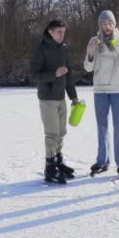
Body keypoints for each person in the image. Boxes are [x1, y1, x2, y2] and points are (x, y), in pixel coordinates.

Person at [84, 10, 119, 177]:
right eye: (104, 24)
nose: (107, 27)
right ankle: (102, 161)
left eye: (109, 23)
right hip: (100, 88)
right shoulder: (94, 40)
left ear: (114, 24)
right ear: (100, 25)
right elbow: (88, 67)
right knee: (101, 126)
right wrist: (90, 53)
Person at [30, 19, 79, 184]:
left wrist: (73, 96)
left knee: (61, 132)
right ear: (50, 32)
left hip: (61, 98)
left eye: (63, 32)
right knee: (52, 134)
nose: (62, 35)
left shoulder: (64, 49)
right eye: (59, 32)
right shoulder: (41, 49)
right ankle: (49, 169)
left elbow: (69, 75)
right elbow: (34, 75)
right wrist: (54, 74)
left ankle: (58, 162)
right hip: (47, 98)